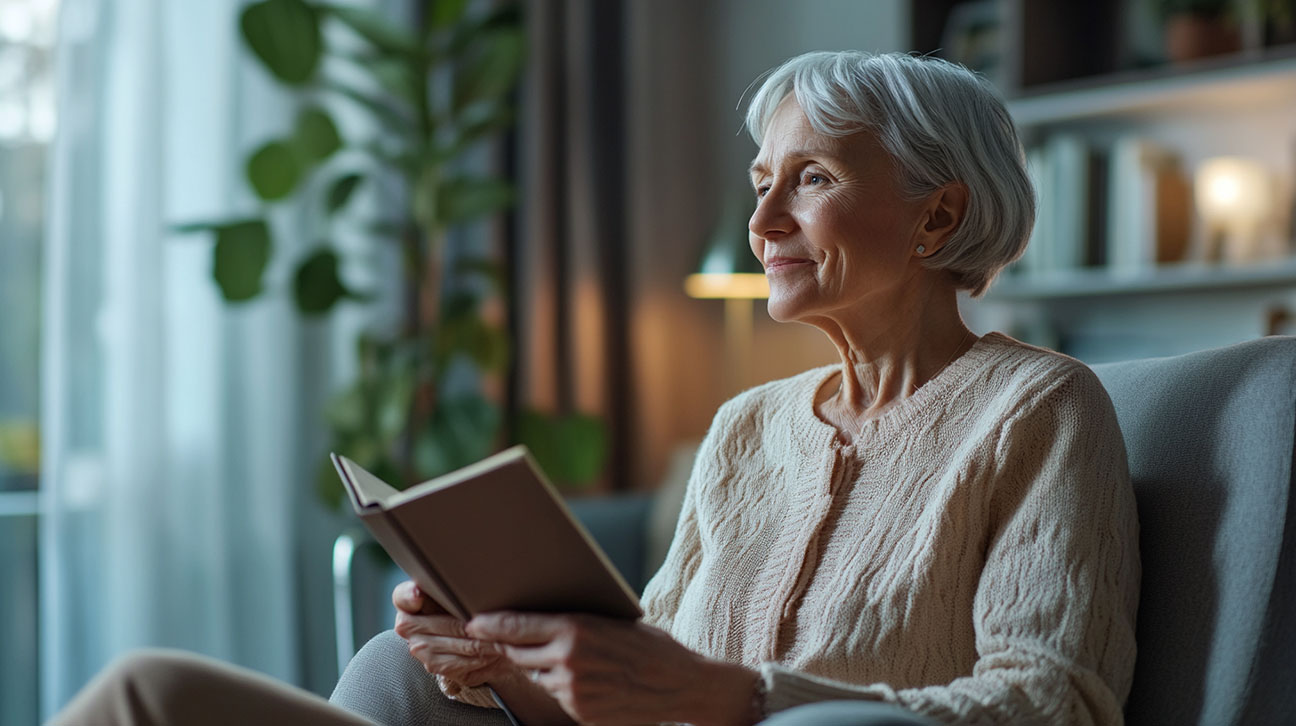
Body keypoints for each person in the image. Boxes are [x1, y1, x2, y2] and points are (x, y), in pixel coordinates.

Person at [49, 50, 1139, 726]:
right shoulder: (747, 429)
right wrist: (504, 657)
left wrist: (743, 701)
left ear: (937, 217)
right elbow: (637, 682)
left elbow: (1057, 705)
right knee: (196, 691)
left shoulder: (1036, 412)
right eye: (761, 184)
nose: (761, 227)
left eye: (811, 180)